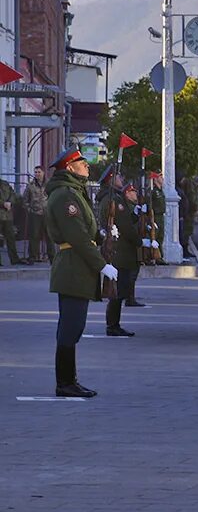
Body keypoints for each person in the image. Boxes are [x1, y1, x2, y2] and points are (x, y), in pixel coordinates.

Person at [45, 148, 116, 397]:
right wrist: (102, 265)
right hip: (73, 267)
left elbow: (87, 230)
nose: (86, 166)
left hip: (77, 266)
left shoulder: (74, 192)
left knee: (73, 327)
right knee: (70, 327)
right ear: (69, 168)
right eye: (81, 162)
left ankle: (69, 380)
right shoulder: (65, 195)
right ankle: (64, 383)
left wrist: (103, 235)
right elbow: (76, 236)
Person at [98, 180, 140, 337]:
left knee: (118, 290)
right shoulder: (114, 200)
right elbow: (125, 226)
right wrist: (139, 241)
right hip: (121, 252)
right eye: (118, 177)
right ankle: (113, 326)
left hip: (117, 250)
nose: (121, 179)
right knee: (117, 291)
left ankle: (113, 324)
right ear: (111, 179)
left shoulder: (108, 198)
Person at [23, 165, 51, 263]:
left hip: (47, 213)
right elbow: (25, 200)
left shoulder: (49, 184)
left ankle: (52, 256)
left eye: (39, 172)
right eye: (35, 172)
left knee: (49, 236)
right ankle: (33, 256)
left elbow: (54, 197)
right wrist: (29, 209)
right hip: (35, 213)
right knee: (34, 236)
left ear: (43, 173)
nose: (37, 174)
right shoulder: (30, 185)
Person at [0, 173, 23, 265]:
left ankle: (14, 259)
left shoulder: (5, 184)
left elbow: (13, 194)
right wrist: (3, 204)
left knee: (11, 238)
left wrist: (10, 202)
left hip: (7, 216)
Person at [178, 174, 198, 258]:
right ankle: (184, 249)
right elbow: (189, 197)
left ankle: (185, 249)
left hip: (190, 211)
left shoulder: (191, 182)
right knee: (186, 231)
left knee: (188, 231)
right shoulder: (188, 182)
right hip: (188, 211)